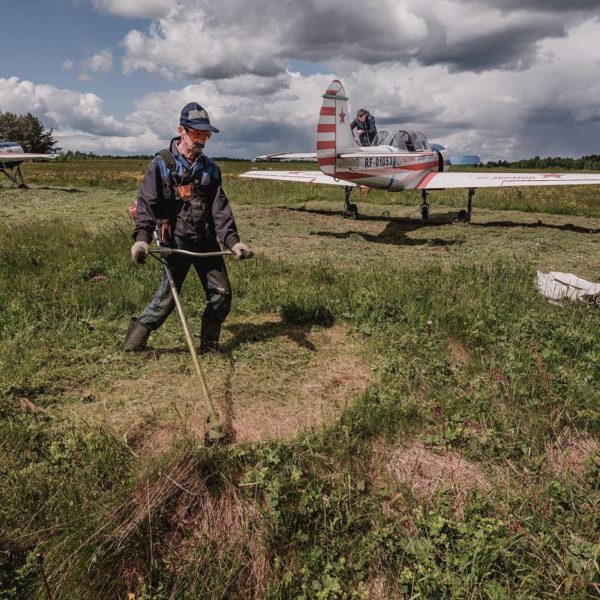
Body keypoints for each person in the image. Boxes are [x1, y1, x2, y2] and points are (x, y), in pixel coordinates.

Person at [124, 102, 253, 353]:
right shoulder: (160, 164)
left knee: (222, 294)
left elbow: (220, 209)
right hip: (175, 242)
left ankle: (209, 344)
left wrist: (232, 242)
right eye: (196, 133)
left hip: (206, 241)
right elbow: (147, 203)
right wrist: (141, 239)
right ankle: (133, 344)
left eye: (206, 135)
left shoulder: (211, 169)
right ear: (181, 130)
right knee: (166, 300)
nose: (201, 140)